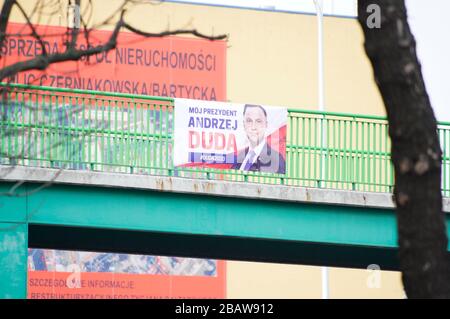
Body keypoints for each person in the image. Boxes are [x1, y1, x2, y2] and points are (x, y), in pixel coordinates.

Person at [232, 104, 285, 174]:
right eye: (249, 121)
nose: (253, 127)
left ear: (266, 125)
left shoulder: (276, 159)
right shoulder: (240, 157)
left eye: (258, 121)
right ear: (244, 125)